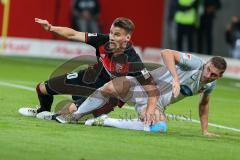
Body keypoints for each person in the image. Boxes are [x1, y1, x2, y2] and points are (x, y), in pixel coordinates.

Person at [18, 17, 159, 124]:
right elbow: (73, 34)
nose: (111, 37)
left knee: (69, 111)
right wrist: (51, 28)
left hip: (105, 95)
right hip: (91, 76)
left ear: (127, 38)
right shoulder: (102, 40)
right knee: (42, 88)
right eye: (111, 32)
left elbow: (152, 89)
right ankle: (43, 110)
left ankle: (67, 114)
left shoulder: (133, 60)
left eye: (116, 35)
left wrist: (150, 111)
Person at [57, 49, 226, 136]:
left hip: (156, 102)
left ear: (219, 76)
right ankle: (77, 115)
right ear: (207, 64)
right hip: (143, 86)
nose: (209, 76)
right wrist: (175, 78)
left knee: (159, 128)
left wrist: (205, 130)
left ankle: (105, 121)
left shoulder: (209, 85)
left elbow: (204, 105)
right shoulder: (196, 63)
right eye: (209, 70)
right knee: (110, 87)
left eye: (214, 75)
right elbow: (166, 53)